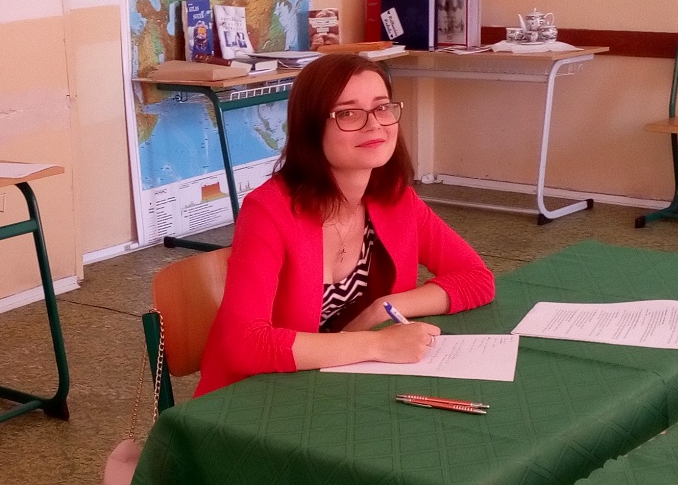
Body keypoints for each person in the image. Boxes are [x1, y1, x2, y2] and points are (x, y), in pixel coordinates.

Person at [195, 54, 495, 396]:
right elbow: (245, 345)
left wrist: (385, 308)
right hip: (259, 394)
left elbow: (476, 278)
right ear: (311, 129)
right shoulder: (267, 211)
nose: (374, 125)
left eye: (382, 107)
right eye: (348, 113)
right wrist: (375, 344)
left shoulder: (396, 199)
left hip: (340, 384)